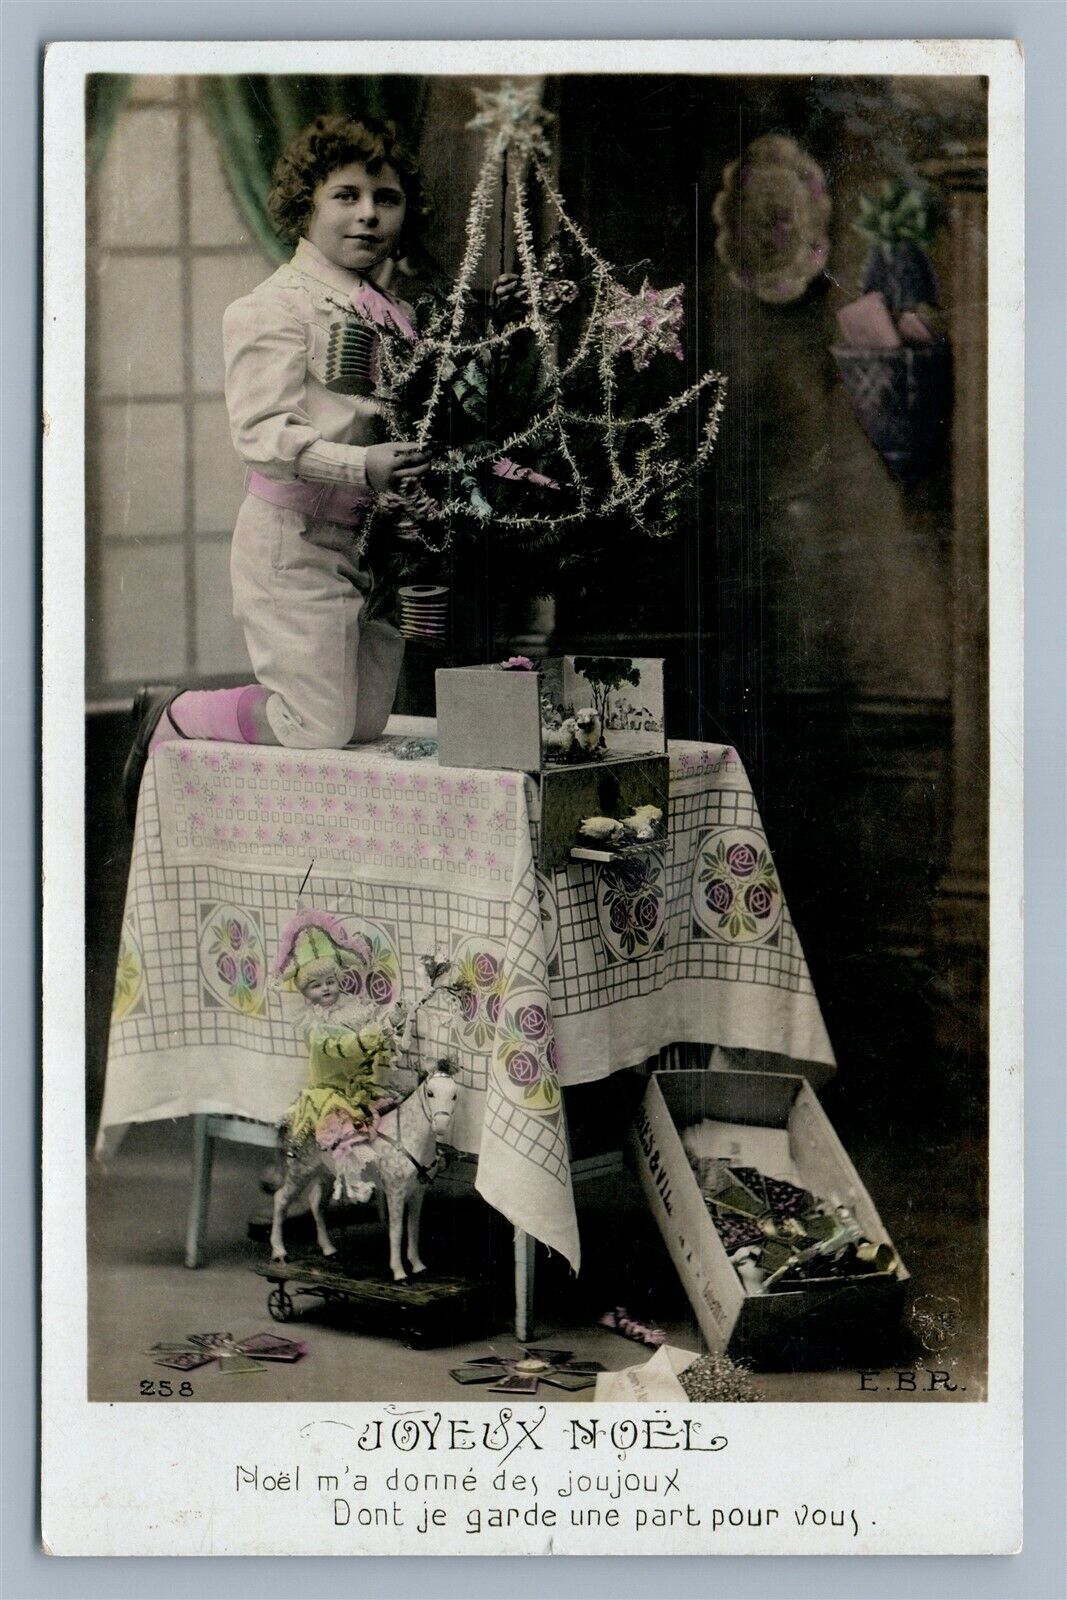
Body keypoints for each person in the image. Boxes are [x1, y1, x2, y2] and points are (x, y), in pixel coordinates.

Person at [122, 112, 435, 822]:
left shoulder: (396, 314)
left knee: (362, 725)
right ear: (306, 205)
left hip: (372, 546)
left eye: (385, 199)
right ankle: (173, 711)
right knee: (315, 723)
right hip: (292, 542)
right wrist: (361, 466)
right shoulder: (271, 307)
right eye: (346, 195)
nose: (367, 214)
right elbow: (261, 435)